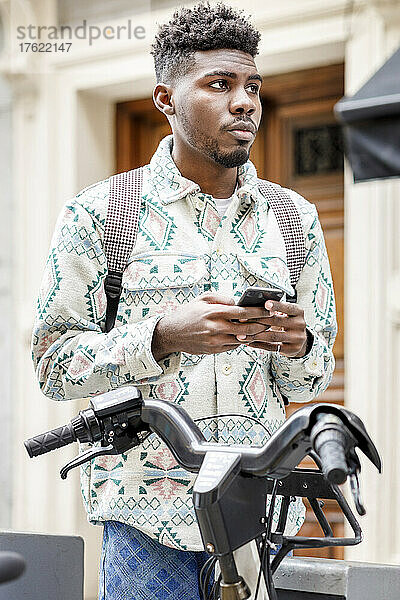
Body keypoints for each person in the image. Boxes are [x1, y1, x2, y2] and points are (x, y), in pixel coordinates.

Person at [31, 2, 337, 598]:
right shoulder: (102, 217)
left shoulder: (293, 220)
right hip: (148, 525)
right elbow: (52, 365)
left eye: (252, 85)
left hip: (260, 519)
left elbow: (309, 382)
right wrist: (162, 336)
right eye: (219, 84)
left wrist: (298, 346)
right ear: (166, 100)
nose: (245, 101)